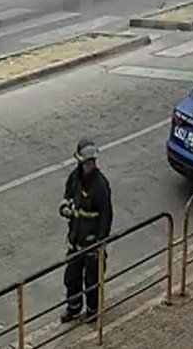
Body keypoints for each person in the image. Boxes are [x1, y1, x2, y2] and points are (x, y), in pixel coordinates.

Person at [60, 138, 113, 324]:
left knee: (92, 282)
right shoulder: (75, 177)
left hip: (92, 245)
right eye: (86, 162)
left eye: (92, 162)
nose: (89, 165)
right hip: (75, 240)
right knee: (71, 278)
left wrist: (100, 243)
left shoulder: (100, 185)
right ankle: (73, 309)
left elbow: (106, 216)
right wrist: (65, 208)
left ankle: (92, 312)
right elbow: (67, 196)